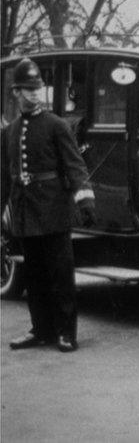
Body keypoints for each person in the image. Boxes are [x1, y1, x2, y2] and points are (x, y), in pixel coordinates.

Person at [2, 58, 96, 353]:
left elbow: (75, 165)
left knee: (60, 274)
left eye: (37, 89)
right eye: (28, 90)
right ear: (16, 93)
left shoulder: (56, 125)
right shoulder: (10, 131)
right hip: (25, 211)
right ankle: (41, 330)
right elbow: (5, 176)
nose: (34, 94)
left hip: (54, 210)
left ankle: (67, 333)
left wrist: (86, 200)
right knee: (34, 275)